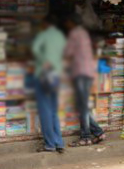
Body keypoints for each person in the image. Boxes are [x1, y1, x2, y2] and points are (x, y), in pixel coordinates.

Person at [63, 14, 105, 147]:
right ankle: (98, 132)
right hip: (88, 73)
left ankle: (86, 137)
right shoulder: (84, 33)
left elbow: (67, 53)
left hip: (80, 73)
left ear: (71, 23)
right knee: (83, 106)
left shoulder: (74, 34)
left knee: (82, 107)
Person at [31, 15, 66, 153]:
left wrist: (44, 60)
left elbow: (35, 50)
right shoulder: (60, 36)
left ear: (45, 23)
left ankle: (50, 144)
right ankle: (59, 142)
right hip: (56, 76)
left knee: (45, 110)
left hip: (44, 75)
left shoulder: (43, 35)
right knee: (53, 111)